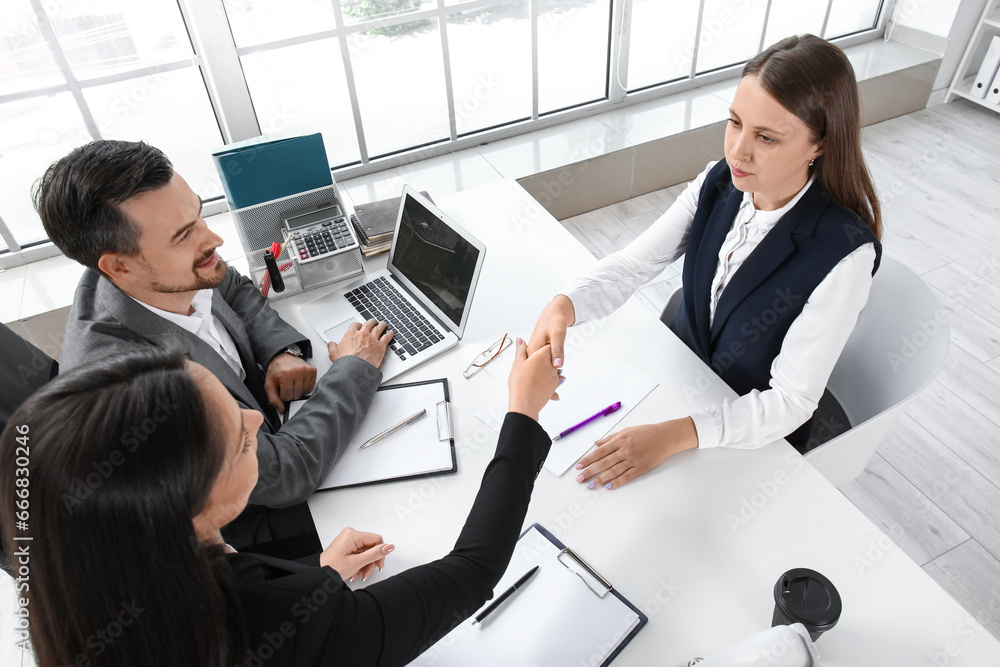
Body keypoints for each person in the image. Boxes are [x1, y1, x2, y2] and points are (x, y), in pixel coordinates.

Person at [0, 341, 560, 667]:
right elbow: (472, 570)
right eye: (243, 442)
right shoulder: (297, 631)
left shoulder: (87, 586)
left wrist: (310, 575)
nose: (254, 422)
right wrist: (523, 412)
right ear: (191, 512)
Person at [529, 34, 882, 490]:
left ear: (820, 145)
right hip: (683, 384)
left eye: (766, 137)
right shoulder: (719, 182)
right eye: (735, 123)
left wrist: (677, 434)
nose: (738, 151)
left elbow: (791, 402)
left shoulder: (844, 254)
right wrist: (564, 305)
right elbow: (631, 266)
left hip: (747, 431)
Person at [33, 140, 391, 511]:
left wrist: (278, 351)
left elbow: (231, 285)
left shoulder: (146, 272)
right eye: (184, 234)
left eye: (199, 215)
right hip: (247, 523)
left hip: (276, 427)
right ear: (118, 266)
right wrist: (354, 368)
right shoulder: (141, 391)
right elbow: (286, 474)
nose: (214, 239)